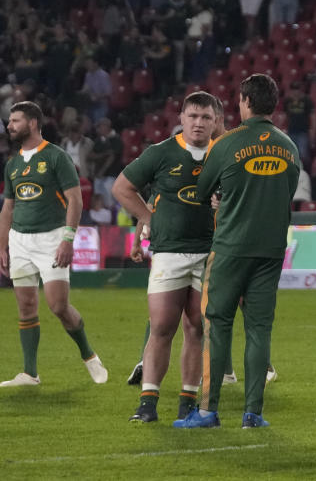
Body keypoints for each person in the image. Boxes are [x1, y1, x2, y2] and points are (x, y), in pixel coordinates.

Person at [174, 74, 299, 429]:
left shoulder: (226, 144)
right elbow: (286, 191)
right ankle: (253, 414)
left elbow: (200, 191)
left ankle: (208, 411)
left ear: (244, 100)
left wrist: (222, 196)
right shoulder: (289, 145)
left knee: (218, 325)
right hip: (271, 250)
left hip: (230, 248)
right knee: (260, 330)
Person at [112, 92, 221, 423]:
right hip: (169, 252)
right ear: (182, 118)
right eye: (192, 116)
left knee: (197, 328)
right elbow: (121, 188)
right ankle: (148, 403)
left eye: (205, 117)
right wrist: (148, 219)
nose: (198, 123)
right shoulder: (160, 152)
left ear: (215, 121)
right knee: (161, 327)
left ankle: (187, 402)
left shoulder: (226, 154)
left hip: (210, 253)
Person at [0, 101, 108, 387]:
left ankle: (89, 355)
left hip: (51, 238)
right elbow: (8, 208)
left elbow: (75, 199)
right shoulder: (12, 164)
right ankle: (30, 373)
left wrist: (68, 239)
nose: (9, 126)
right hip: (19, 240)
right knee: (25, 308)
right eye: (9, 121)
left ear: (33, 123)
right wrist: (3, 246)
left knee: (59, 306)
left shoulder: (56, 157)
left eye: (15, 121)